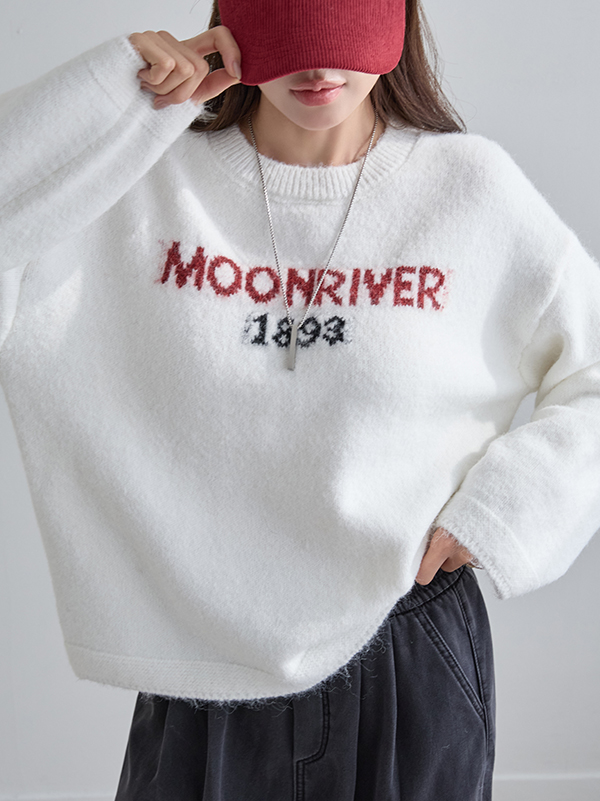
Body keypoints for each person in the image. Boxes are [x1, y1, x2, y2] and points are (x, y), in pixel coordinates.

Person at [1, 0, 599, 798]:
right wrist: (111, 96)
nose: (317, 67)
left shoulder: (470, 191)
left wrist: (506, 510)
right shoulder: (138, 180)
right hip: (200, 663)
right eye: (290, 29)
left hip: (405, 648)